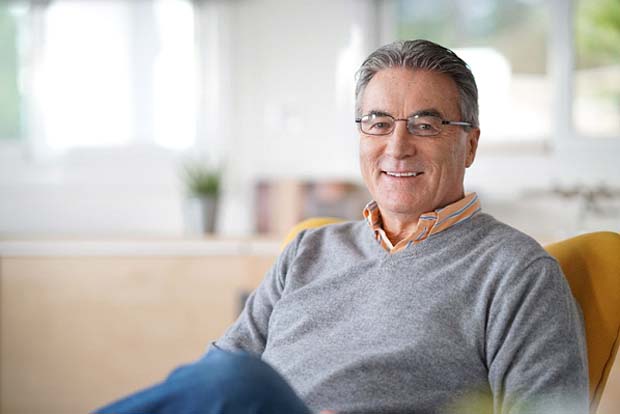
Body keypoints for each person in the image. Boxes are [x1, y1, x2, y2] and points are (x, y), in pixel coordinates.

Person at [94, 39, 588, 414]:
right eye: (377, 122)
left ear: (471, 144)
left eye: (425, 124)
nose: (397, 147)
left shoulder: (517, 272)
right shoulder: (308, 248)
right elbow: (214, 375)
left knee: (239, 384)